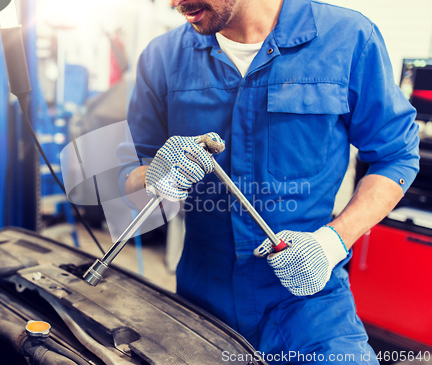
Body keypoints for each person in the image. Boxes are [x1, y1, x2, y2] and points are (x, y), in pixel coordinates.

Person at [120, 0, 420, 363]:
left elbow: (396, 156)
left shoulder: (349, 38)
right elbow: (130, 175)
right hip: (201, 295)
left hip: (308, 300)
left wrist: (331, 243)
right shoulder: (162, 57)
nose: (173, 3)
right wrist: (153, 176)